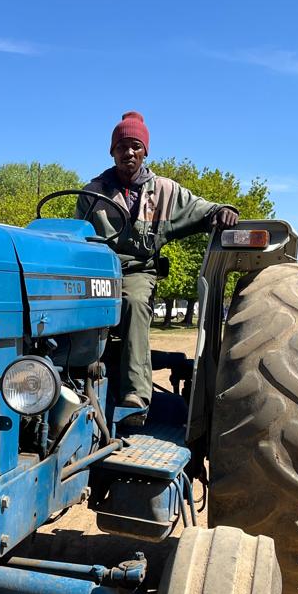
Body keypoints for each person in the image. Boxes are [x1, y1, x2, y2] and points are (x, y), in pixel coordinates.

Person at [75, 111, 238, 414]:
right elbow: (79, 238)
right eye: (122, 146)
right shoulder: (92, 192)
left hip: (137, 270)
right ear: (112, 151)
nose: (129, 152)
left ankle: (135, 395)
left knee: (134, 302)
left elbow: (203, 210)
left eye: (135, 146)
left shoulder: (165, 190)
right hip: (100, 268)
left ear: (145, 151)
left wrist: (223, 211)